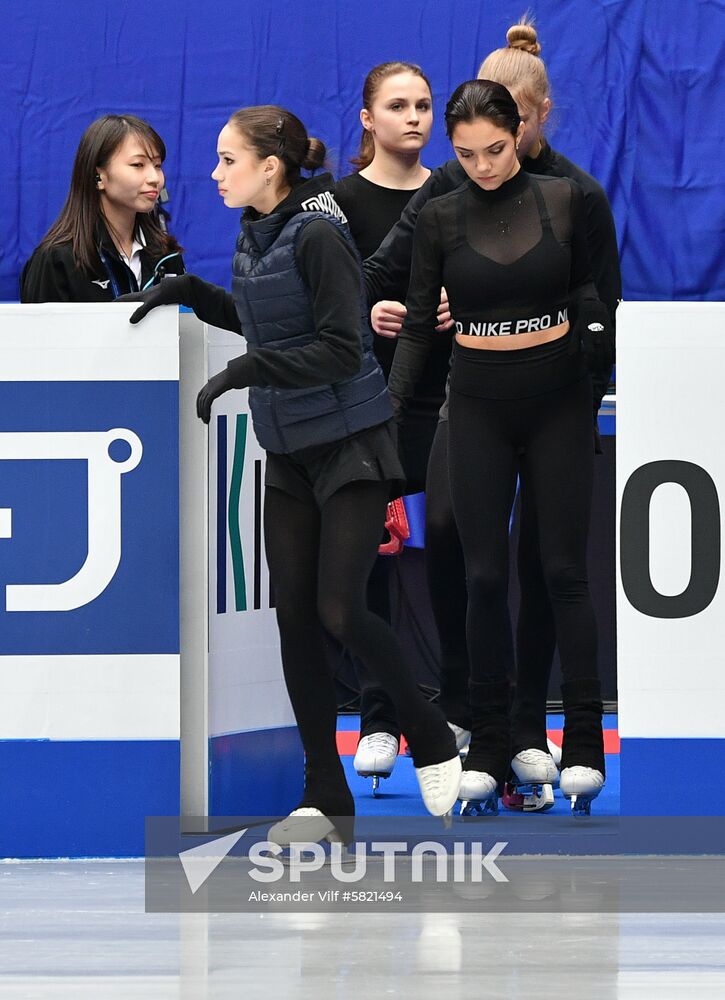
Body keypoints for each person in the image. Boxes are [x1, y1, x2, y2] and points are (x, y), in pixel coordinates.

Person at [117, 104, 461, 843]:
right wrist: (192, 296)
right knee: (295, 620)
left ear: (269, 167)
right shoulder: (256, 233)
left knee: (340, 608)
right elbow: (265, 322)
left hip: (352, 445)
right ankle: (325, 794)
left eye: (226, 159)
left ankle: (429, 733)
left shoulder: (318, 233)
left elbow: (340, 348)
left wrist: (246, 370)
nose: (213, 173)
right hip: (288, 452)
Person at [364, 17, 620, 811]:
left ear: (530, 117)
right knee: (465, 560)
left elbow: (597, 303)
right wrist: (390, 311)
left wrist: (576, 380)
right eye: (465, 142)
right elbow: (392, 286)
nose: (479, 158)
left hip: (550, 403)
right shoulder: (443, 198)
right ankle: (484, 730)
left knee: (554, 572)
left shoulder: (573, 196)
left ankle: (548, 739)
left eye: (499, 132)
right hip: (465, 402)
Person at [333, 61, 455, 790]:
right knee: (370, 556)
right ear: (367, 119)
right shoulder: (337, 203)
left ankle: (461, 705)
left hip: (447, 398)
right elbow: (320, 296)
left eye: (423, 106)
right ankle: (378, 714)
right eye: (397, 106)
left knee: (450, 548)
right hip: (364, 399)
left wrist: (458, 307)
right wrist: (363, 314)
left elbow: (491, 279)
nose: (413, 118)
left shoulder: (454, 192)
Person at [21, 114, 184, 302]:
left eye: (157, 165)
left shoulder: (166, 256)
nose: (155, 178)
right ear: (98, 177)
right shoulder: (56, 260)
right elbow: (39, 331)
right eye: (138, 165)